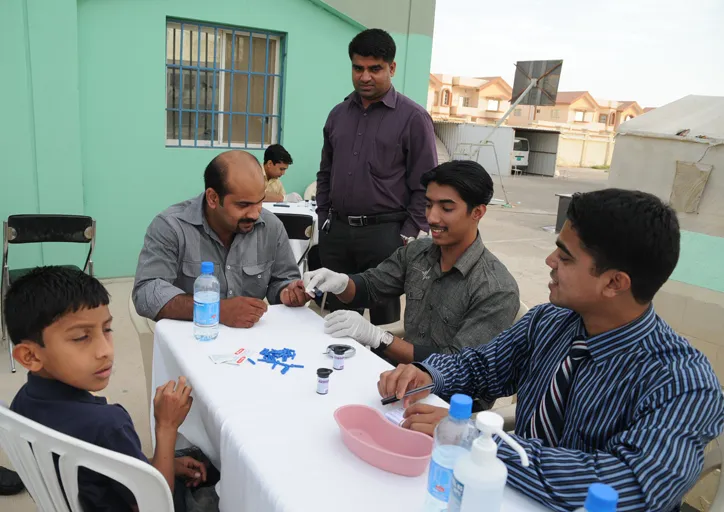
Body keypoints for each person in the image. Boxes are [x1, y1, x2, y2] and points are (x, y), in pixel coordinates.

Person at [378, 189, 724, 511]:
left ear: (614, 283)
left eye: (565, 257)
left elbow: (628, 484)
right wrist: (429, 374)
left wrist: (479, 443)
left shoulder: (684, 384)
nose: (549, 260)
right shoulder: (550, 321)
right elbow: (484, 365)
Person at [6, 266, 211, 511]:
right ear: (29, 356)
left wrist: (152, 465)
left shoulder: (21, 403)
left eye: (107, 329)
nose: (105, 350)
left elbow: (98, 464)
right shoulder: (108, 425)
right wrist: (166, 427)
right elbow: (153, 506)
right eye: (81, 337)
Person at [305, 161, 519, 366]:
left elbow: (459, 365)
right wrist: (341, 283)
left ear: (477, 213)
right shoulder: (418, 252)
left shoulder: (496, 289)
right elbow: (371, 287)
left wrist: (380, 338)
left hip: (445, 389)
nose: (432, 218)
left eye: (446, 208)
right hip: (397, 373)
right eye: (428, 205)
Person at [316, 28, 438, 326]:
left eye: (375, 69)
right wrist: (324, 218)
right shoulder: (338, 115)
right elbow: (326, 172)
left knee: (384, 324)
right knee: (338, 320)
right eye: (358, 68)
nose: (365, 77)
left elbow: (426, 184)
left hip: (385, 236)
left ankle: (383, 359)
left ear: (391, 68)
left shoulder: (413, 118)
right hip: (338, 233)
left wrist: (407, 234)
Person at [133, 150, 311, 328]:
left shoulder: (271, 227)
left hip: (249, 340)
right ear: (213, 198)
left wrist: (287, 292)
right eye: (243, 205)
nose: (255, 214)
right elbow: (146, 292)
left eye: (260, 201)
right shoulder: (171, 227)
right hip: (192, 337)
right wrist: (216, 309)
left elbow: (282, 280)